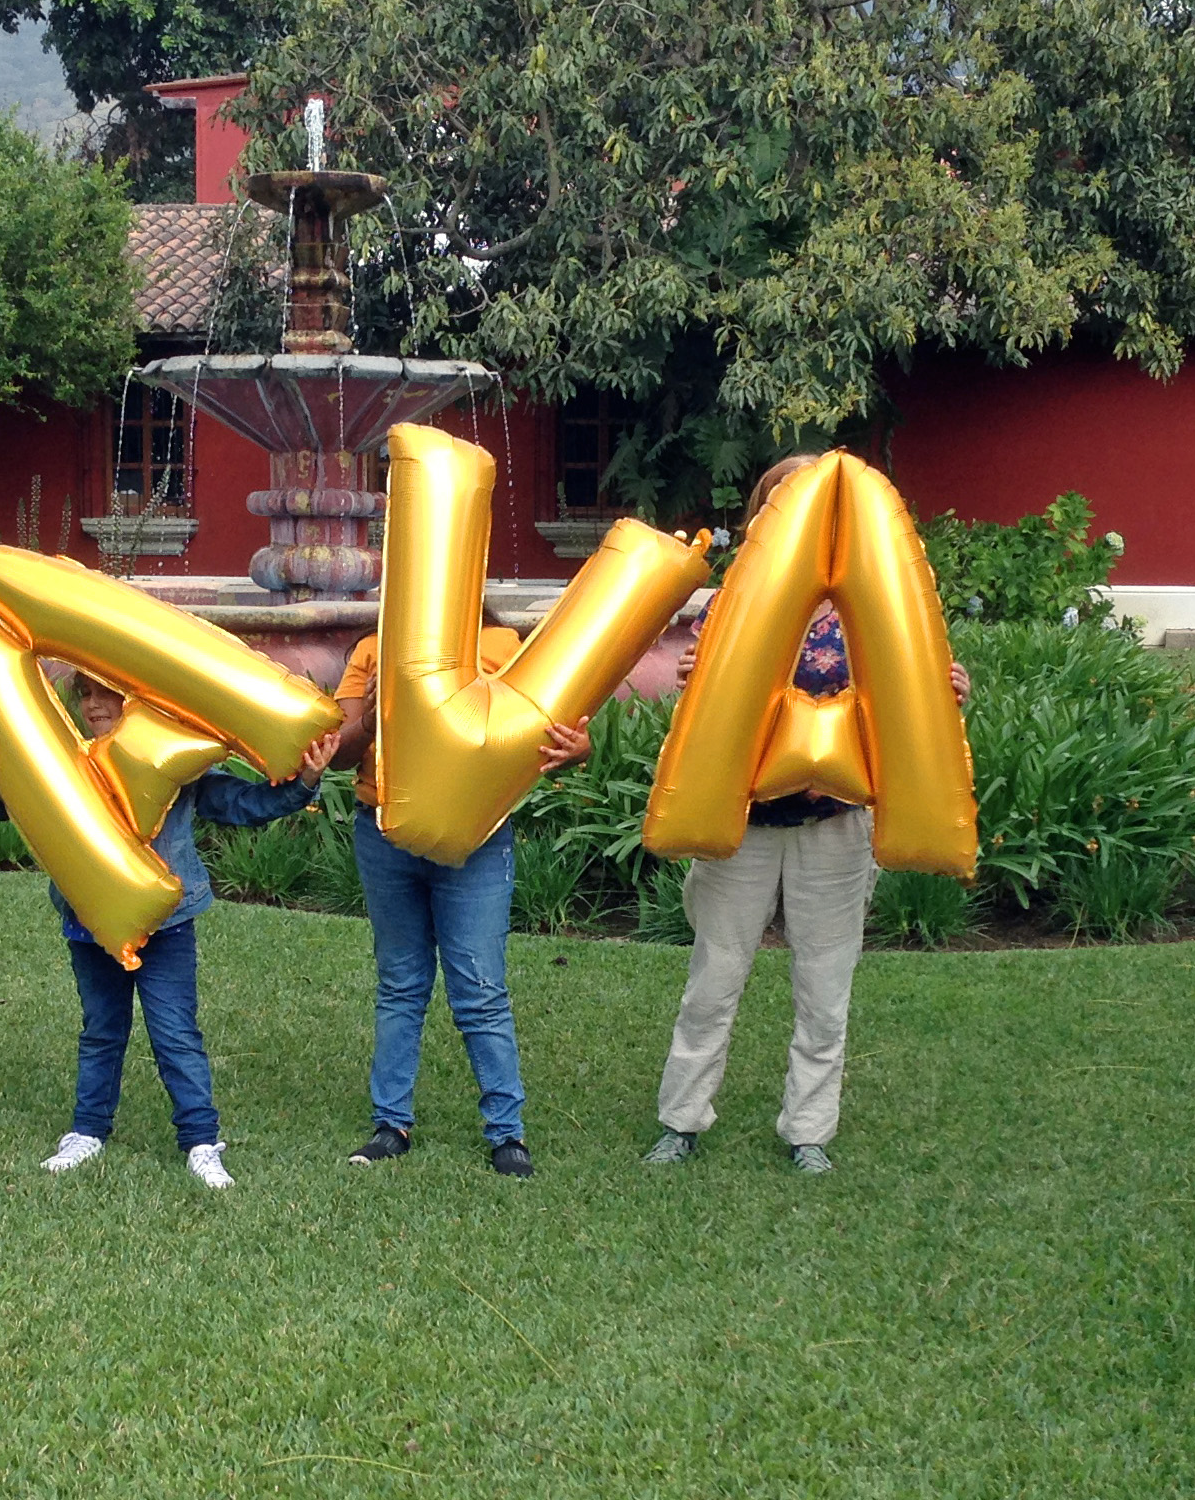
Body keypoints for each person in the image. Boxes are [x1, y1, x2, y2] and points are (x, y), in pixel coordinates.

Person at [641, 457, 969, 1174]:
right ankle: (681, 1120)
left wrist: (945, 689)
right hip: (745, 822)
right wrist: (695, 680)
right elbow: (706, 709)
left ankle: (808, 1131)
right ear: (767, 512)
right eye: (788, 500)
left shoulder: (874, 598)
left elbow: (908, 702)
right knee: (714, 978)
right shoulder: (733, 599)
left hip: (835, 824)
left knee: (825, 985)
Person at [0, 676, 339, 1190]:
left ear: (132, 697)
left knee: (175, 1032)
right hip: (91, 920)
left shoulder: (167, 754)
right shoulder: (67, 757)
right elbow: (7, 799)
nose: (92, 705)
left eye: (104, 694)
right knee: (101, 1030)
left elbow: (243, 803)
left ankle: (201, 1140)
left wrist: (303, 783)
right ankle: (87, 1131)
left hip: (167, 923)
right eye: (84, 696)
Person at [333, 616, 589, 1179]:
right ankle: (390, 1123)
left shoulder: (503, 645)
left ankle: (507, 1133)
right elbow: (339, 751)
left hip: (476, 836)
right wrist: (374, 714)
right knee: (401, 981)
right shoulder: (373, 647)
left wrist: (579, 748)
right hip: (383, 832)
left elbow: (549, 728)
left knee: (479, 986)